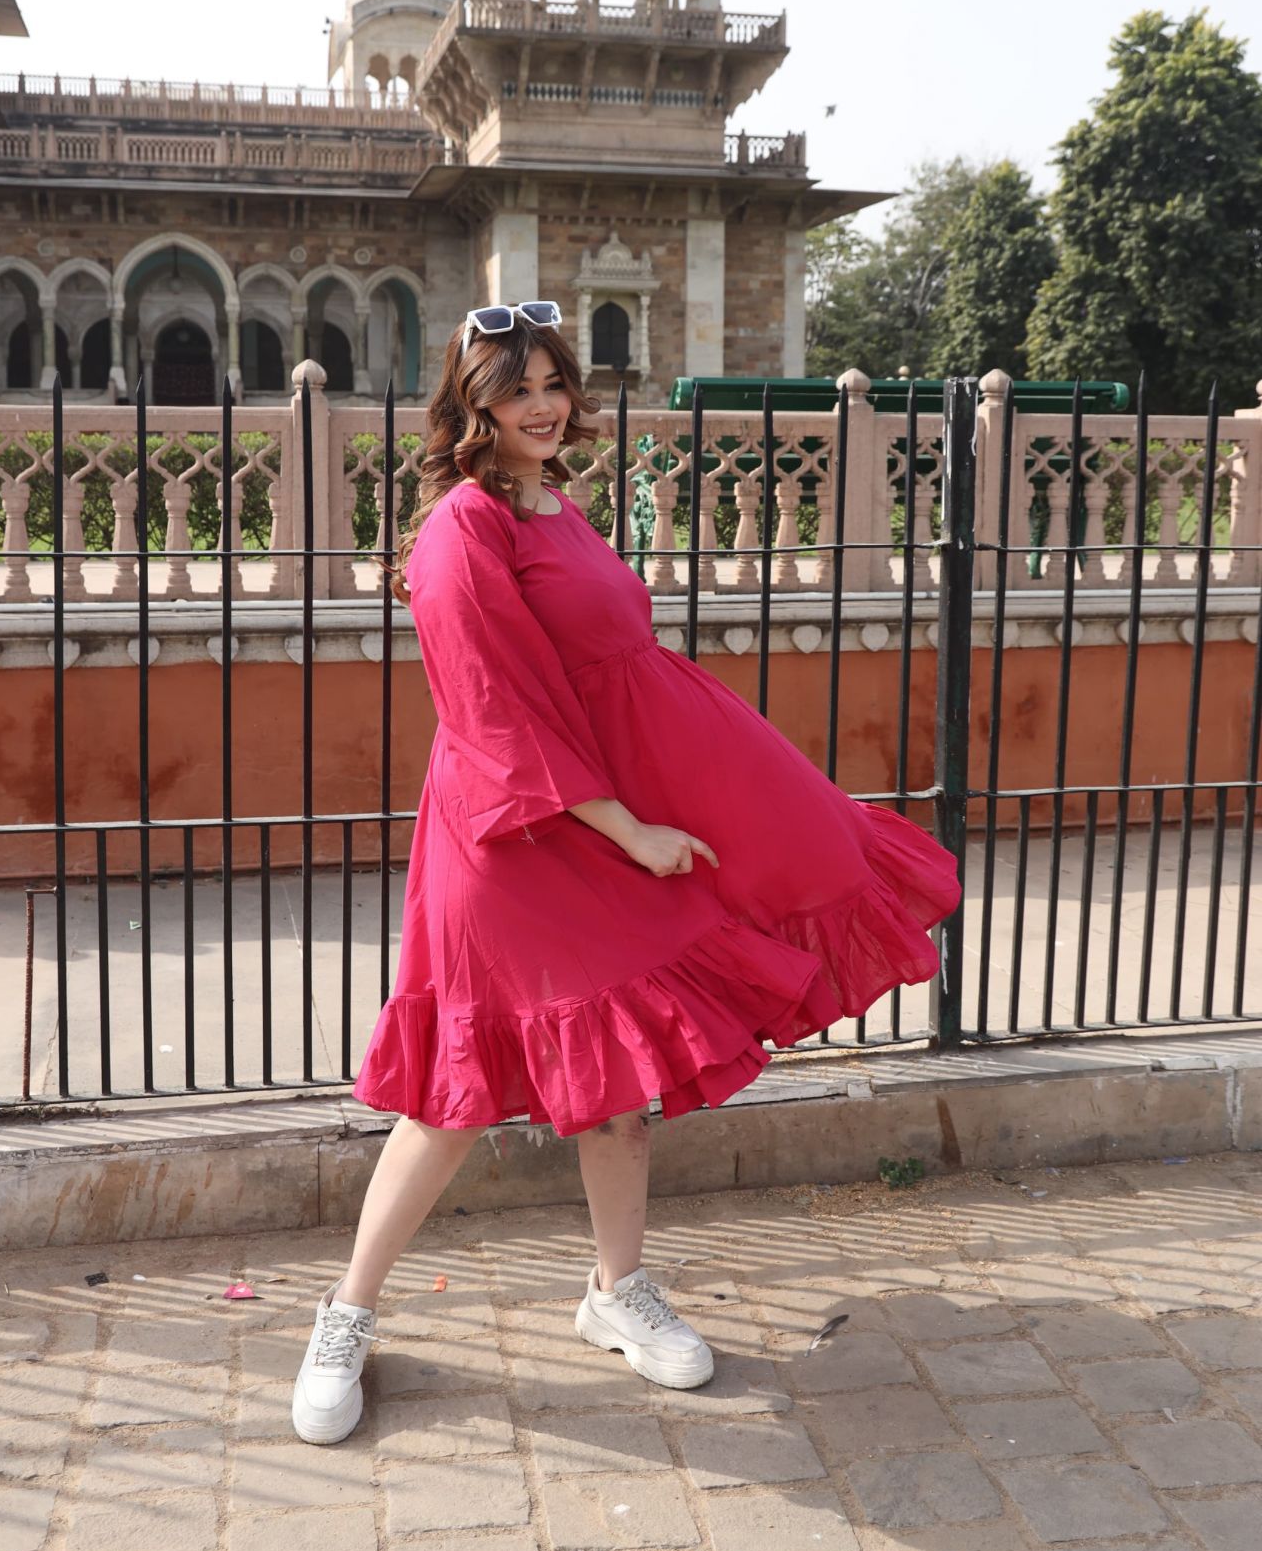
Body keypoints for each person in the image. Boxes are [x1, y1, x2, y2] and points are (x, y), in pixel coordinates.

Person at [292, 300, 961, 1444]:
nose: (542, 404)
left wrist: (693, 805)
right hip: (513, 836)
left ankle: (615, 1291)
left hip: (606, 820)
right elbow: (491, 707)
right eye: (515, 390)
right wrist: (630, 829)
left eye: (552, 381)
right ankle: (345, 1314)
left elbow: (620, 678)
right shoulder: (463, 527)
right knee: (451, 1097)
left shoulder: (558, 506)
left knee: (619, 1082)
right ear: (473, 405)